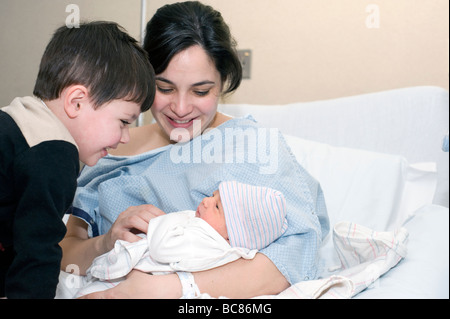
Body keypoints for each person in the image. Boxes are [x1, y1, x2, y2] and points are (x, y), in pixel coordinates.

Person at [61, 1, 329, 299]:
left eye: (201, 91)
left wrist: (167, 288)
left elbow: (296, 256)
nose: (181, 108)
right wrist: (105, 242)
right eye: (164, 88)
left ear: (223, 84)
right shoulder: (110, 146)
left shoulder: (252, 147)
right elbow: (65, 253)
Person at [0, 21, 155, 299]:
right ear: (76, 102)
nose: (125, 138)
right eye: (123, 121)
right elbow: (37, 252)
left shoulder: (17, 123)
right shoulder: (54, 151)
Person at [74, 181, 288, 298]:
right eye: (212, 195)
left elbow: (161, 248)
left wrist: (171, 218)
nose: (205, 201)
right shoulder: (208, 234)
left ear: (233, 233)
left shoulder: (208, 241)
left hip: (134, 285)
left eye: (216, 206)